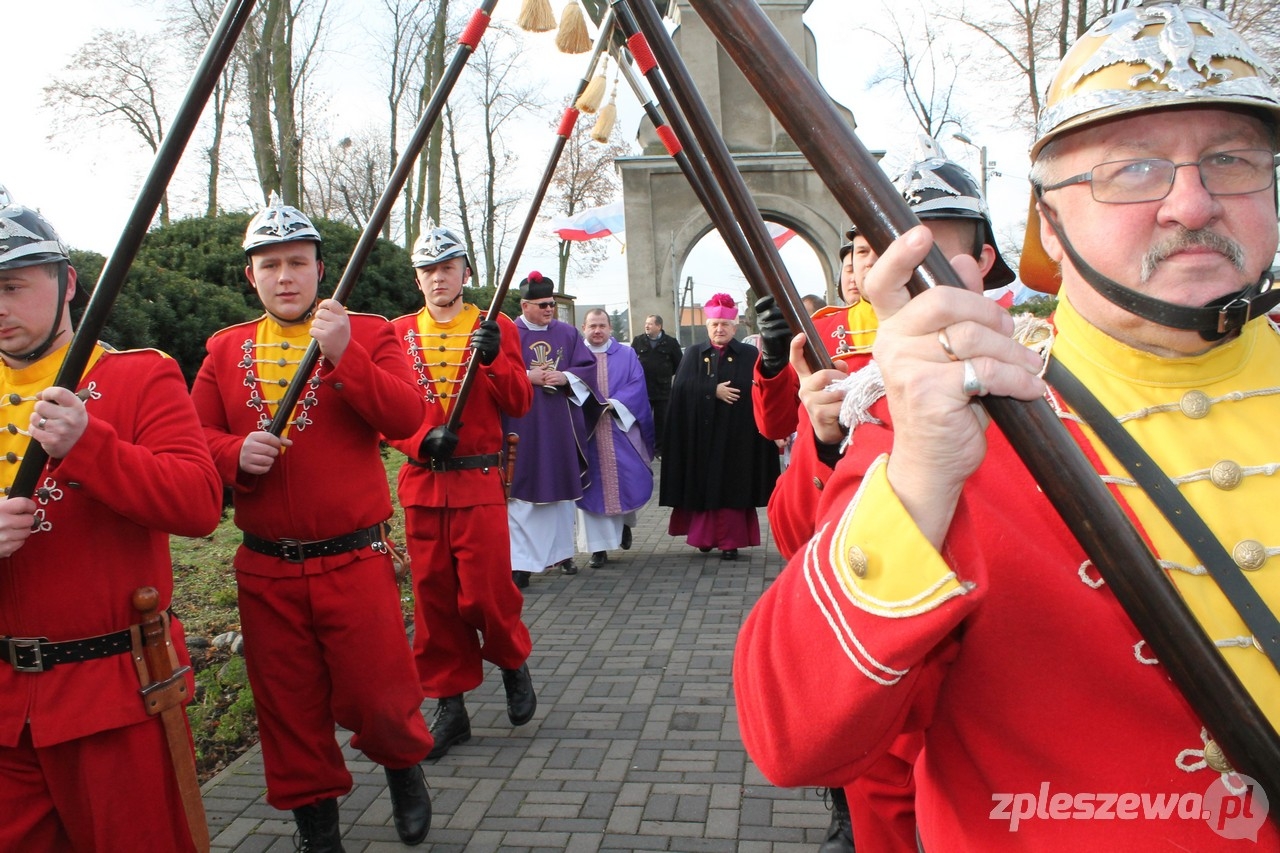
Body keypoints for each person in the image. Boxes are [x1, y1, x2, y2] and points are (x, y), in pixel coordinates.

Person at [735, 4, 1280, 849]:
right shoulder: (953, 406)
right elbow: (796, 737)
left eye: (1231, 160)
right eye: (1132, 169)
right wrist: (917, 479)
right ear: (1048, 227)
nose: (1190, 201)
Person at [758, 150, 1017, 853]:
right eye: (890, 243)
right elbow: (794, 538)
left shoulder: (1038, 368)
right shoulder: (874, 385)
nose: (907, 264)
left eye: (932, 241)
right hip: (885, 721)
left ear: (986, 259)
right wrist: (826, 437)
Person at [192, 198, 433, 850]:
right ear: (252, 275)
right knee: (288, 710)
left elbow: (408, 415)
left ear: (321, 268)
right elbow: (194, 439)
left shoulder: (370, 330)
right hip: (265, 566)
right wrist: (231, 454)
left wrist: (346, 355)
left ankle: (405, 769)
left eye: (297, 262)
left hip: (353, 559)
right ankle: (316, 829)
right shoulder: (224, 348)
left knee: (382, 694)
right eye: (270, 265)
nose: (285, 276)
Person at [0, 202, 222, 851]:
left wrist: (90, 444)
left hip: (115, 694)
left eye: (12, 286)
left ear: (67, 283)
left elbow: (199, 502)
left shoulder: (137, 375)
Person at [388, 225, 537, 761]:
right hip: (423, 485)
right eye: (427, 269)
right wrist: (419, 439)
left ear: (465, 272)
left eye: (446, 267)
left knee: (485, 594)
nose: (436, 278)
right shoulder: (397, 332)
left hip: (478, 484)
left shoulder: (492, 324)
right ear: (417, 277)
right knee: (433, 603)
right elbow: (384, 413)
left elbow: (520, 401)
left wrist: (497, 358)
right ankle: (450, 706)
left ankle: (512, 659)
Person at [660, 293, 780, 560]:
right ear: (707, 326)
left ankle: (730, 542)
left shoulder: (749, 354)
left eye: (725, 325)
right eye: (715, 324)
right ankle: (704, 537)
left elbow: (762, 388)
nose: (720, 329)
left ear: (735, 327)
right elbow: (679, 390)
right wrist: (710, 390)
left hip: (738, 437)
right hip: (702, 438)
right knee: (703, 486)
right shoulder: (693, 353)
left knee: (733, 488)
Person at [503, 271, 602, 586]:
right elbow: (494, 372)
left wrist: (566, 377)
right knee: (520, 495)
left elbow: (587, 367)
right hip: (520, 424)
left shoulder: (568, 333)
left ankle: (562, 554)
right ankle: (520, 564)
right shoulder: (508, 332)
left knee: (559, 494)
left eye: (552, 304)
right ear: (525, 305)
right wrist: (525, 378)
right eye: (543, 304)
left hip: (558, 425)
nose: (549, 310)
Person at [576, 308, 655, 568]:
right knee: (590, 487)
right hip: (586, 433)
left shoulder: (627, 354)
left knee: (625, 483)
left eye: (602, 325)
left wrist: (614, 404)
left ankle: (622, 526)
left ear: (610, 328)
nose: (597, 331)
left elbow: (637, 384)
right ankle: (598, 549)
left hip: (619, 428)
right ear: (583, 328)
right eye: (592, 326)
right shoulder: (575, 355)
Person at [630, 314, 683, 450]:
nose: (646, 326)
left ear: (659, 326)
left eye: (650, 324)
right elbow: (630, 362)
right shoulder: (638, 341)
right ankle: (643, 446)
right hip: (643, 388)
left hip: (662, 389)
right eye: (646, 323)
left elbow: (679, 364)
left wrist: (664, 374)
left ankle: (660, 448)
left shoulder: (670, 343)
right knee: (642, 419)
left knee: (662, 420)